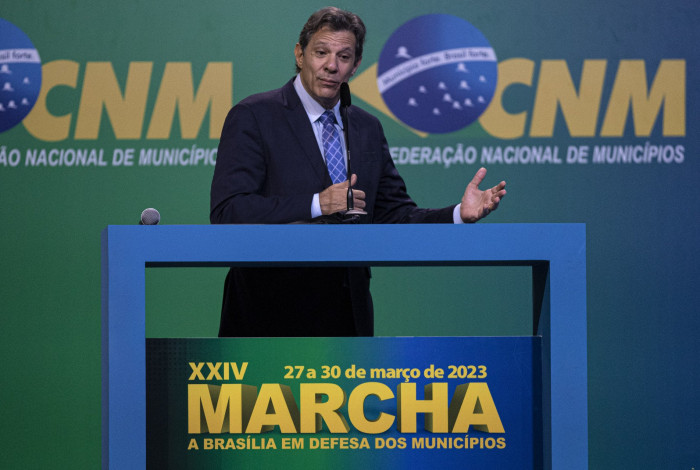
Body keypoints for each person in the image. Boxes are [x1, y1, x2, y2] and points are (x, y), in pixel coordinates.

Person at [210, 7, 506, 337]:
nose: (331, 66)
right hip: (268, 317)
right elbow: (229, 210)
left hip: (347, 321)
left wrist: (457, 214)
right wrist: (317, 204)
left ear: (355, 65)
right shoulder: (255, 116)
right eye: (321, 53)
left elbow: (395, 215)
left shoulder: (367, 127)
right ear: (300, 54)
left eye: (344, 56)